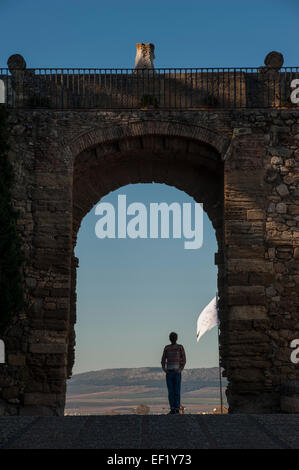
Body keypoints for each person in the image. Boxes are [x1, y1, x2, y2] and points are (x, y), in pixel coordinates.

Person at [161, 332, 186, 414]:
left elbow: (184, 359)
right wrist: (164, 369)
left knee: (177, 391)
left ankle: (176, 408)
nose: (173, 338)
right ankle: (172, 408)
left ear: (176, 338)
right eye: (171, 337)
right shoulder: (167, 348)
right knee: (171, 391)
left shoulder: (180, 347)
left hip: (177, 372)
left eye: (174, 337)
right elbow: (163, 359)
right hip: (169, 372)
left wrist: (180, 369)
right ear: (170, 338)